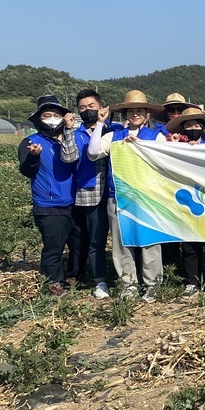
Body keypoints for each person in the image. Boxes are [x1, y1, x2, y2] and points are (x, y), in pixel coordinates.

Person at [86, 90, 167, 302]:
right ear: (125, 114)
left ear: (147, 114)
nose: (135, 114)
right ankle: (128, 284)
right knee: (122, 243)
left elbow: (164, 162)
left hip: (147, 196)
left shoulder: (157, 137)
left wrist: (141, 147)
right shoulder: (113, 136)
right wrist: (101, 124)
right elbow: (93, 152)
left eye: (140, 110)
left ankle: (153, 284)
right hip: (119, 195)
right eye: (131, 111)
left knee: (150, 240)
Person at [18, 95, 79, 296]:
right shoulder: (31, 142)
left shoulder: (70, 139)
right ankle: (53, 283)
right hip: (49, 204)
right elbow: (27, 170)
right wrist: (34, 156)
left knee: (78, 245)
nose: (52, 118)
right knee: (54, 246)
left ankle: (74, 277)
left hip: (74, 202)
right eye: (47, 115)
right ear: (39, 119)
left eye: (56, 114)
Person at [165, 107, 205, 296]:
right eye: (188, 125)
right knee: (190, 244)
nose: (193, 128)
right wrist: (173, 145)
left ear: (203, 128)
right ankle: (191, 282)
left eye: (196, 125)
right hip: (186, 200)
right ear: (183, 128)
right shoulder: (176, 148)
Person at [70, 89, 121, 299]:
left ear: (102, 107)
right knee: (96, 240)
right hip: (89, 191)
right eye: (82, 107)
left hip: (116, 191)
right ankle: (99, 280)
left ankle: (127, 278)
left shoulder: (117, 130)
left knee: (122, 239)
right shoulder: (74, 134)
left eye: (91, 106)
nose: (87, 110)